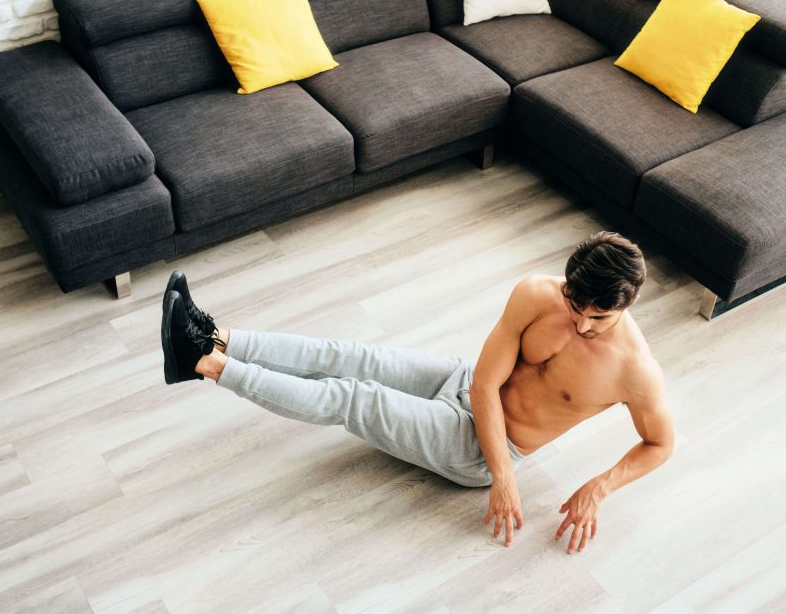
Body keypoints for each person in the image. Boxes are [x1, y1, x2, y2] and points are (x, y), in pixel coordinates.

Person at [161, 231, 675, 555]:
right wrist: (505, 476)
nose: (582, 323)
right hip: (466, 383)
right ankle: (216, 335)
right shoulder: (537, 293)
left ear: (626, 306)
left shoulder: (635, 371)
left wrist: (599, 486)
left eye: (599, 318)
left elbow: (661, 443)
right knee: (352, 355)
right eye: (575, 305)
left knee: (353, 396)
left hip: (478, 449)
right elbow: (486, 382)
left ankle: (202, 363)